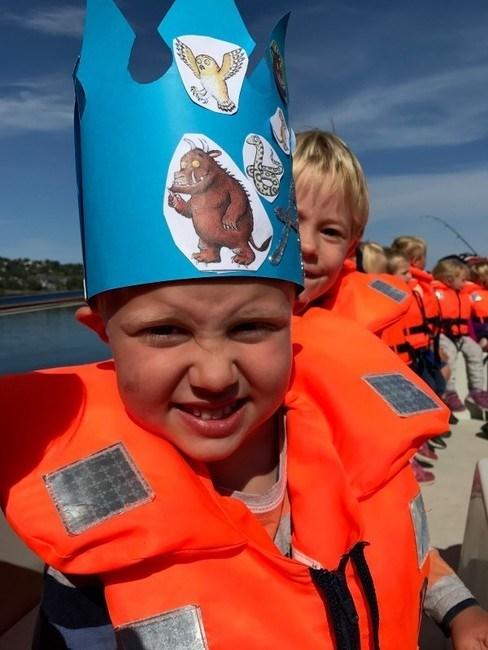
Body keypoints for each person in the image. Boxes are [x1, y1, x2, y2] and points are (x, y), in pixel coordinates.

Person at [0, 3, 443, 649]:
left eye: (251, 329)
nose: (213, 375)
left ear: (294, 321)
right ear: (102, 335)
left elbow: (406, 538)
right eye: (164, 332)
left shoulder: (351, 432)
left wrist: (456, 607)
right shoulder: (92, 539)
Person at [292, 128, 488, 646]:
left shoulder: (361, 342)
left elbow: (400, 525)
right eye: (288, 220)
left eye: (330, 232)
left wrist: (457, 606)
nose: (307, 246)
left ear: (351, 247)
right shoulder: (205, 383)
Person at [432, 257, 488, 412]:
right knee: (449, 355)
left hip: (462, 335)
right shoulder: (436, 293)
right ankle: (449, 392)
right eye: (463, 280)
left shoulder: (465, 294)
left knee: (475, 351)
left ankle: (476, 390)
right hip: (443, 334)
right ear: (449, 279)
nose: (465, 283)